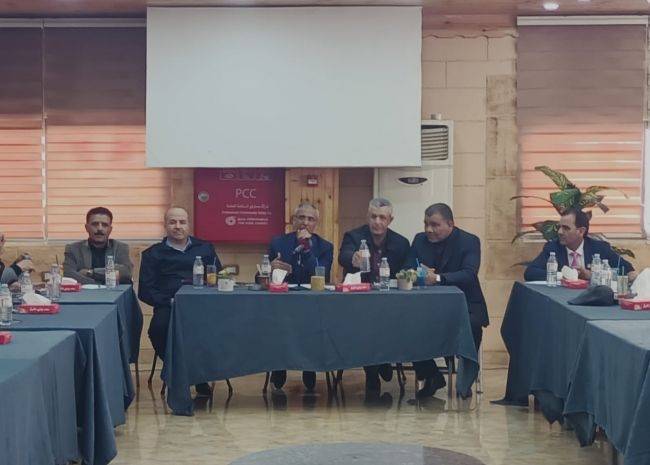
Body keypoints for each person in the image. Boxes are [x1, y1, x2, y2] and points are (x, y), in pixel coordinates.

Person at [405, 203, 489, 398]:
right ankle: (432, 376)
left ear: (450, 224)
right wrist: (416, 273)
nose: (428, 229)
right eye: (426, 224)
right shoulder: (419, 240)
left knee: (472, 327)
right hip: (428, 307)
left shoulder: (469, 241)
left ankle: (464, 383)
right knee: (407, 325)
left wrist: (438, 278)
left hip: (465, 305)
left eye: (434, 225)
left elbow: (469, 274)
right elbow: (407, 267)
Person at [138, 206, 221, 397]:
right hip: (169, 306)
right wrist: (169, 301)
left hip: (201, 306)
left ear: (188, 224)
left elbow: (218, 276)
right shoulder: (153, 254)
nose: (177, 226)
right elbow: (145, 291)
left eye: (182, 222)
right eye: (172, 222)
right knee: (157, 330)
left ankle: (199, 374)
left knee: (213, 329)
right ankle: (178, 371)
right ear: (165, 225)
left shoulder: (205, 248)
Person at [339, 198, 410, 392]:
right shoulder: (353, 237)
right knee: (366, 325)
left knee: (388, 323)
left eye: (382, 217)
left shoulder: (401, 242)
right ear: (367, 217)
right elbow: (343, 256)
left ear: (390, 220)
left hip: (390, 303)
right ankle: (372, 373)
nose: (377, 221)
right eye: (373, 216)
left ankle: (383, 360)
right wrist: (353, 258)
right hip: (359, 303)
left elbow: (406, 269)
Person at [267, 202, 334, 392]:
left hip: (311, 303)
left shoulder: (325, 247)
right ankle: (279, 366)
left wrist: (306, 250)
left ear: (316, 223)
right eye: (301, 218)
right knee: (278, 323)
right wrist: (270, 268)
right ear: (293, 220)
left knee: (312, 323)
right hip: (283, 302)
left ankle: (309, 368)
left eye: (310, 219)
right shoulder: (278, 243)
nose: (305, 222)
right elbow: (262, 277)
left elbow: (321, 275)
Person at [524, 208, 636, 282]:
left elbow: (629, 272)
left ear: (581, 231)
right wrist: (564, 275)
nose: (560, 232)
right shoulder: (553, 248)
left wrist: (591, 275)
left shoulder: (600, 248)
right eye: (559, 227)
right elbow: (530, 273)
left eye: (566, 228)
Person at [63, 207, 133, 285]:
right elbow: (68, 275)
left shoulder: (120, 248)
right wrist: (99, 283)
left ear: (110, 229)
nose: (100, 228)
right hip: (85, 292)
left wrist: (91, 272)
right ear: (86, 228)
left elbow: (126, 273)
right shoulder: (73, 249)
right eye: (95, 224)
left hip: (115, 292)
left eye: (105, 225)